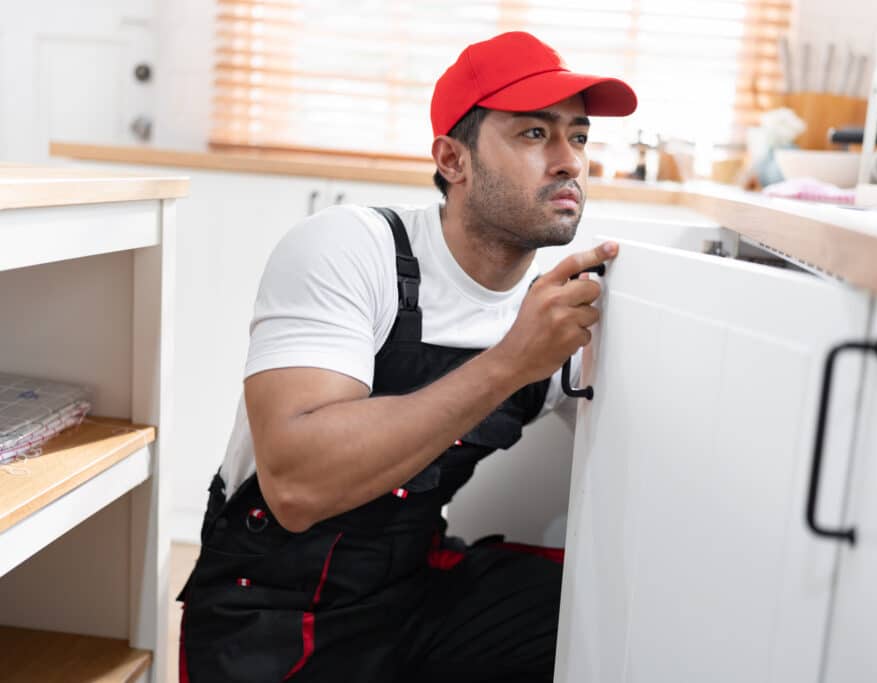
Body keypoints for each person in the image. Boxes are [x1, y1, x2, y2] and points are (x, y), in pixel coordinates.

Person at [178, 30, 636, 682]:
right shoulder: (350, 249)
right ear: (453, 159)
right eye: (535, 134)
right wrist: (511, 362)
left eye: (580, 137)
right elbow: (295, 485)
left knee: (601, 612)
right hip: (267, 612)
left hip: (408, 594)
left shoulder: (550, 313)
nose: (569, 162)